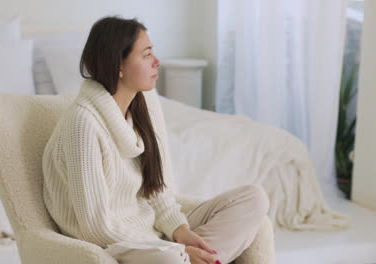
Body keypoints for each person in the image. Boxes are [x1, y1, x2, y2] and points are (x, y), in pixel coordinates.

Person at [42, 16, 272, 264]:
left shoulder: (137, 110)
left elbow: (155, 190)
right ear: (118, 65)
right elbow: (95, 228)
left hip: (150, 234)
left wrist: (181, 233)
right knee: (169, 260)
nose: (157, 62)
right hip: (114, 244)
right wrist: (170, 250)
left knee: (253, 198)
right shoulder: (82, 125)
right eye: (146, 54)